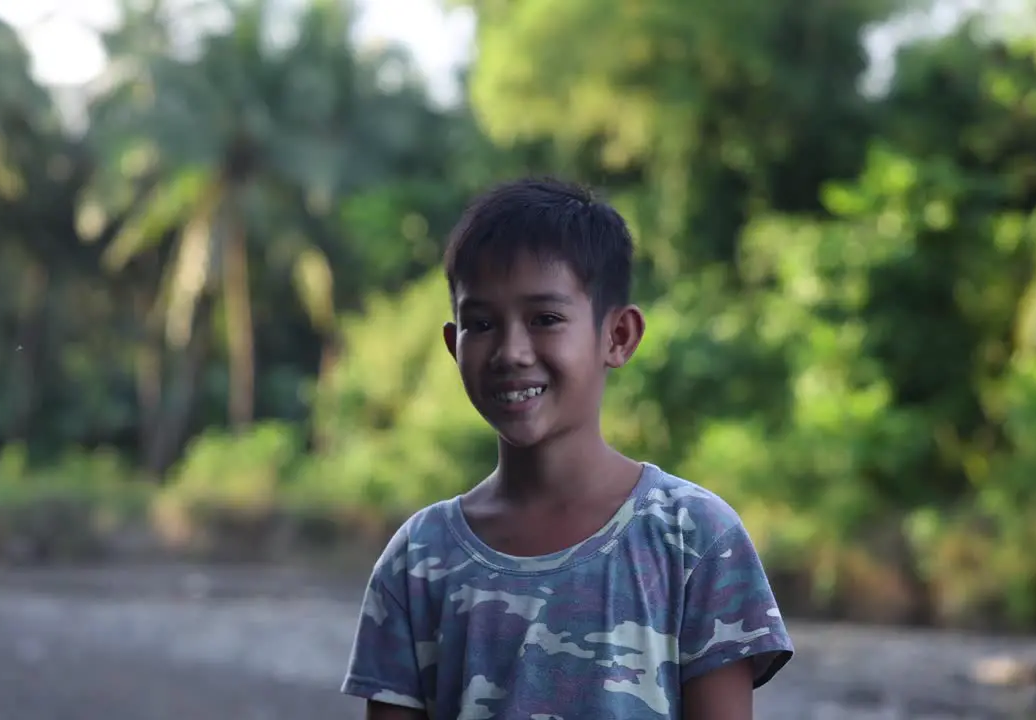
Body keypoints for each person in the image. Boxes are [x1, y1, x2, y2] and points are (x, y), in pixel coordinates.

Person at [340, 177, 794, 719]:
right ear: (452, 343)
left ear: (618, 336)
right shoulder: (417, 560)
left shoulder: (694, 540)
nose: (510, 351)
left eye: (546, 320)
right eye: (480, 323)